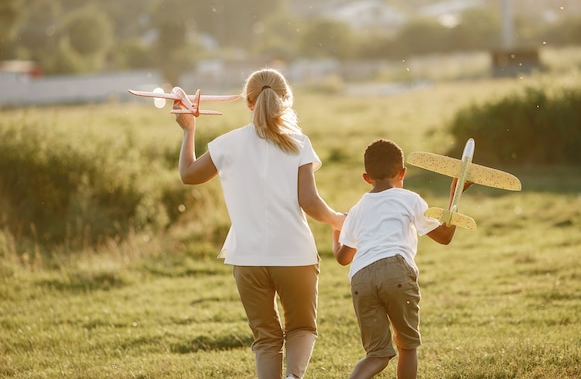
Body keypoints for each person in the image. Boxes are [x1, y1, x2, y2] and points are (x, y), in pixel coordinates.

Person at [174, 68, 345, 379]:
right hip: (295, 256)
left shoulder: (227, 144)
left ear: (248, 103)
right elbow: (309, 201)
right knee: (302, 327)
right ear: (286, 101)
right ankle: (294, 376)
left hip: (248, 259)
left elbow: (188, 175)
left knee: (266, 338)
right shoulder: (299, 143)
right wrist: (337, 220)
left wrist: (188, 129)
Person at [331, 139, 471, 379]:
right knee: (406, 346)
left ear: (366, 178)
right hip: (396, 271)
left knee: (376, 355)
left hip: (361, 278)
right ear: (403, 172)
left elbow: (343, 258)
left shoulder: (356, 209)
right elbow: (445, 236)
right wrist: (453, 196)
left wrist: (335, 232)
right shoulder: (410, 198)